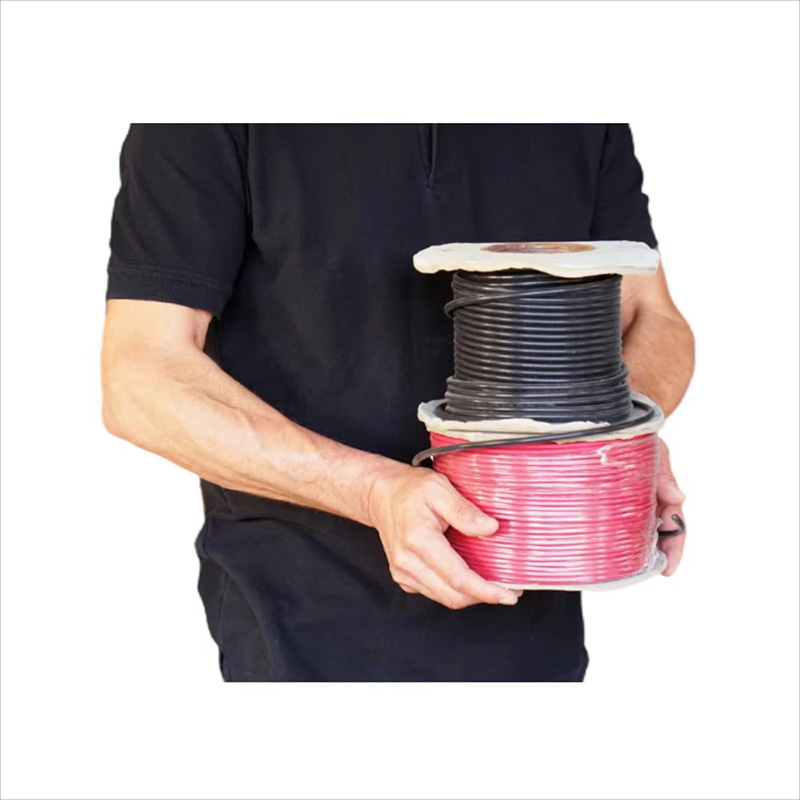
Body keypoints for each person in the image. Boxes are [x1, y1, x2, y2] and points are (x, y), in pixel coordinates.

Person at [101, 124, 694, 682]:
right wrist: (373, 490)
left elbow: (650, 312)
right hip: (300, 628)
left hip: (534, 624)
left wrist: (617, 442)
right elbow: (140, 376)